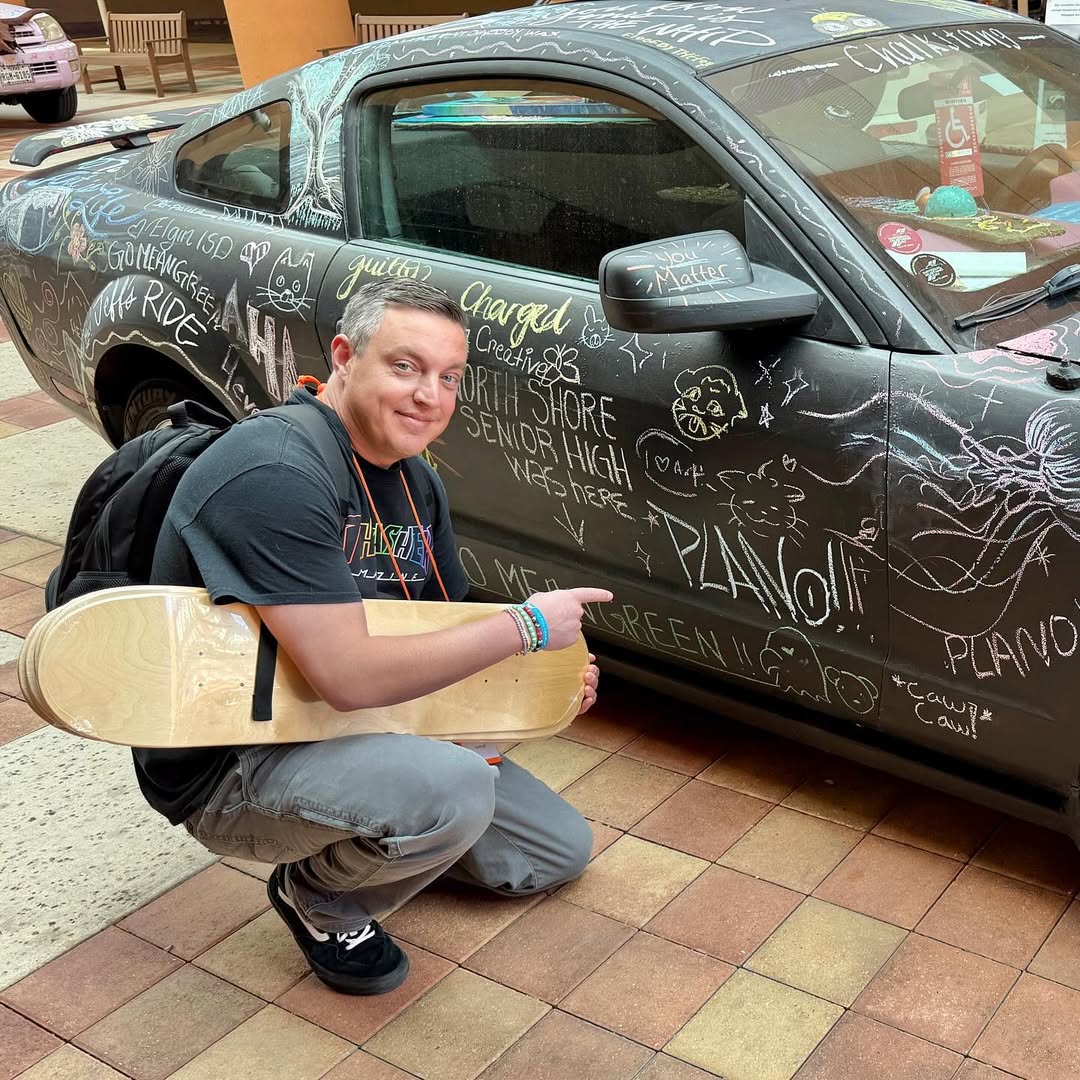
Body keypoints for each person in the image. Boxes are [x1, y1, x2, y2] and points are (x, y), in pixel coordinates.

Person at [134, 278, 611, 996]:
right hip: (236, 759)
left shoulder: (415, 482)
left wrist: (545, 684)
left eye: (449, 378)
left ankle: (397, 831)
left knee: (553, 854)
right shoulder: (275, 469)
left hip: (364, 725)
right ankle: (318, 895)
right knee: (454, 790)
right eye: (405, 366)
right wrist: (526, 625)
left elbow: (448, 638)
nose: (429, 396)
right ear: (343, 357)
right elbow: (349, 676)